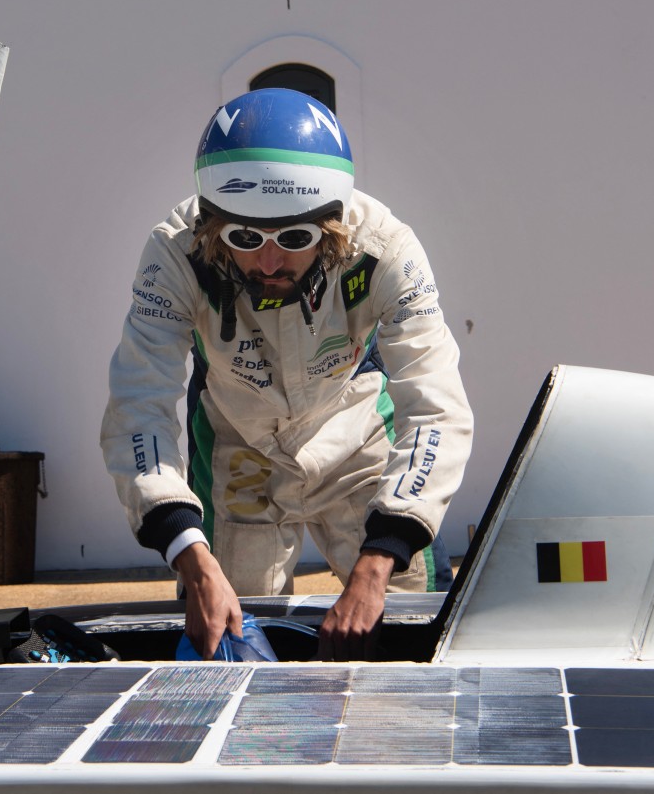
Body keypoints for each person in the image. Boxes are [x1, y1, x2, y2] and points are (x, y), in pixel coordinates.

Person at [100, 88, 473, 661]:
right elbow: (138, 401)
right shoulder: (176, 254)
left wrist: (380, 559)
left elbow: (436, 403)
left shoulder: (385, 250)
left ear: (333, 224)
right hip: (239, 448)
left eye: (296, 238)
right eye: (245, 238)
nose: (269, 262)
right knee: (226, 639)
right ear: (211, 223)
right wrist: (190, 557)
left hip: (356, 440)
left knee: (409, 621)